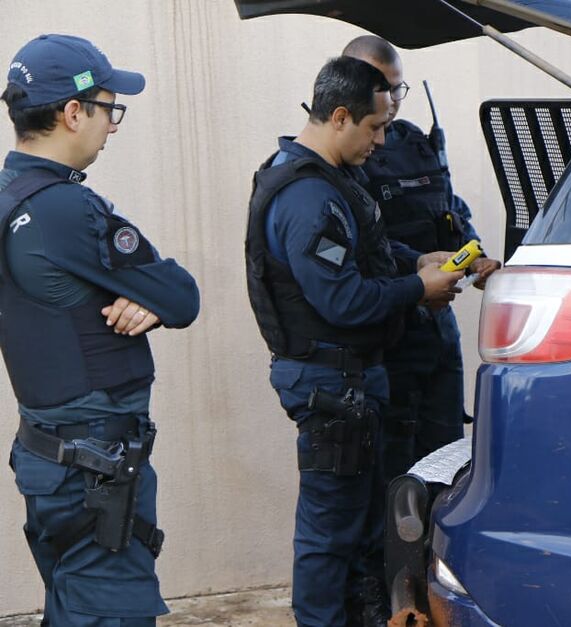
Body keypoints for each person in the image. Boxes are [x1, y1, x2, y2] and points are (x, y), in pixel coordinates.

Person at [244, 56, 462, 627]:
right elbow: (341, 300)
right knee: (329, 529)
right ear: (341, 117)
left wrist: (417, 259)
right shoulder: (305, 196)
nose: (382, 140)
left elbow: (363, 252)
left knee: (362, 523)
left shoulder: (331, 180)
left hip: (353, 382)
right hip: (328, 384)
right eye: (375, 127)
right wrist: (418, 288)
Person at [0, 34, 200, 625]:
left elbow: (156, 300)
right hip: (95, 468)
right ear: (72, 113)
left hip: (52, 459)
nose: (111, 126)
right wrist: (153, 298)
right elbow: (182, 294)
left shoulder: (11, 197)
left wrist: (149, 303)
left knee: (73, 607)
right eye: (108, 109)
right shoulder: (66, 209)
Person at [342, 36, 501, 484]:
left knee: (449, 460)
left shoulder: (413, 141)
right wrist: (418, 277)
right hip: (390, 331)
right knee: (395, 474)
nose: (392, 102)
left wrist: (475, 257)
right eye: (383, 88)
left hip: (438, 331)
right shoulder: (343, 155)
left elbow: (449, 209)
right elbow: (363, 249)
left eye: (399, 89)